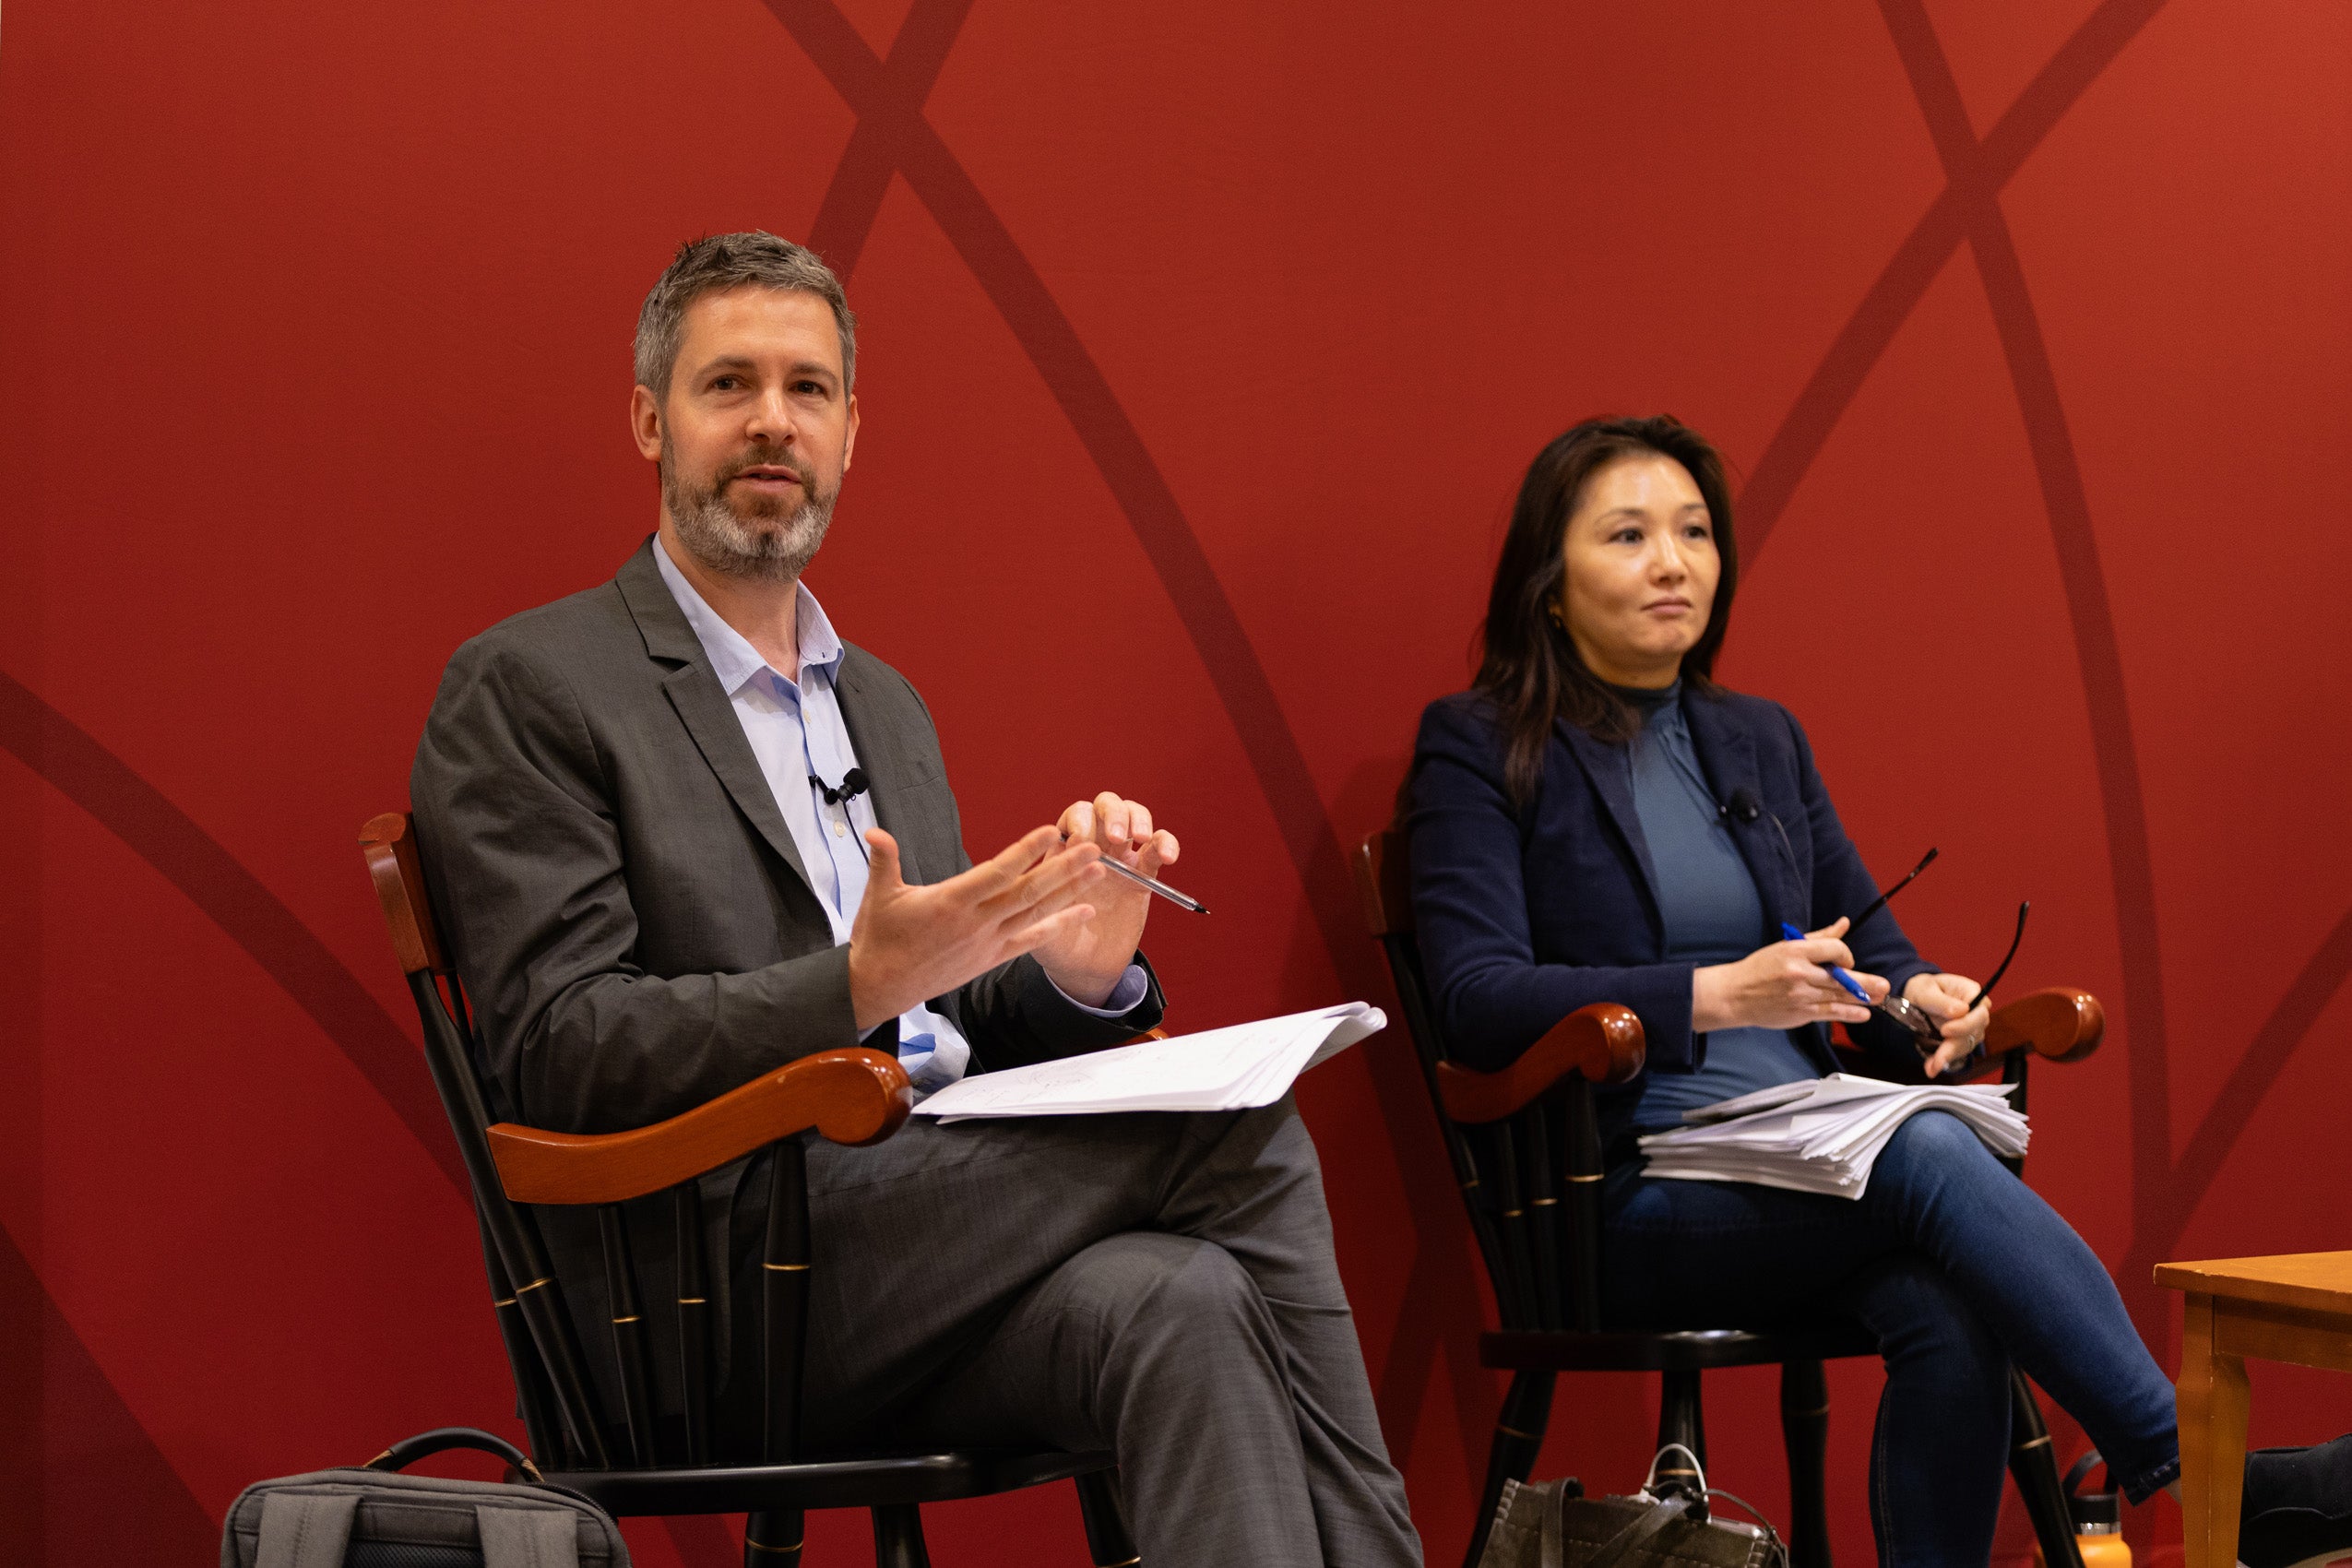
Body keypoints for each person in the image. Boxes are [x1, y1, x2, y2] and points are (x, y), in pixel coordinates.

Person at [410, 232, 1420, 1567]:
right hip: (722, 1288)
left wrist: (1072, 974)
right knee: (1235, 1132)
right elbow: (563, 1054)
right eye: (729, 385)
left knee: (1189, 1300)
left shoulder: (880, 701)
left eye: (809, 389)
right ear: (652, 421)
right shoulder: (533, 686)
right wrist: (858, 986)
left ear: (850, 432)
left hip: (930, 1253)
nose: (773, 420)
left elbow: (946, 1012)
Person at [1404, 414, 2181, 1567]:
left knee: (1948, 1296)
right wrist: (1715, 993)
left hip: (1813, 1153)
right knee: (1919, 1155)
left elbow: (1871, 937)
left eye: (1697, 532)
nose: (1676, 562)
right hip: (1631, 1185)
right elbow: (1474, 995)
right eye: (1630, 534)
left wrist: (1927, 998)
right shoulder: (1481, 743)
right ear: (1549, 585)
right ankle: (2196, 1464)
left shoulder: (1758, 737)